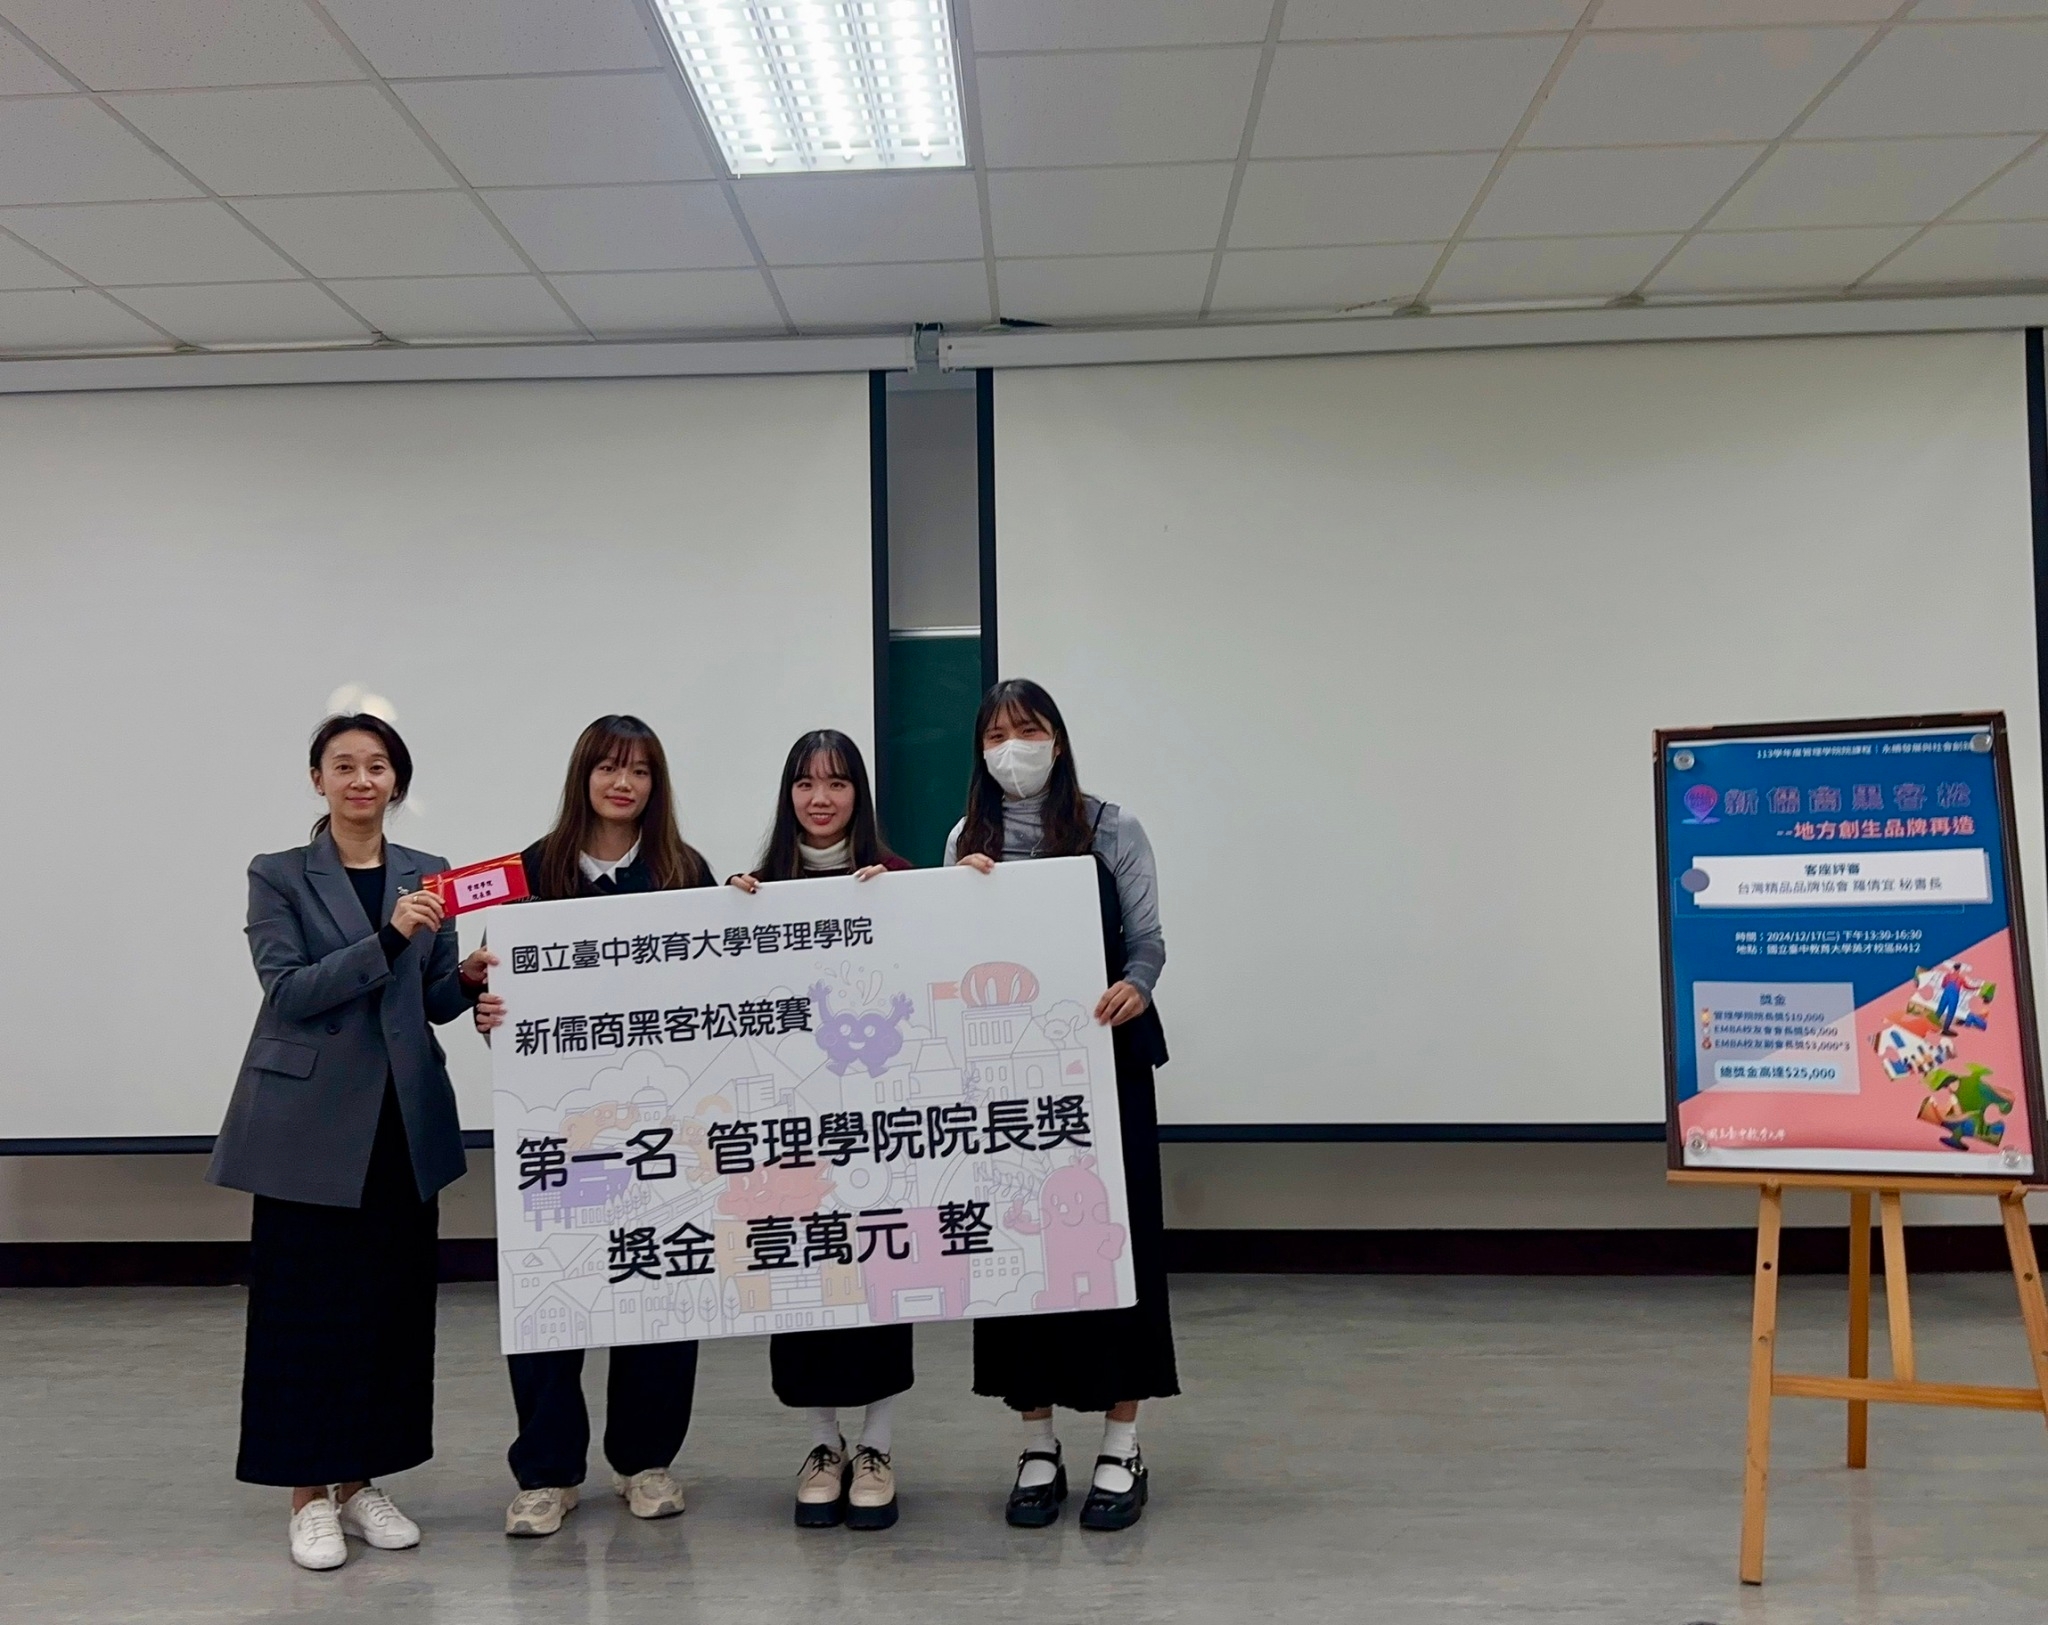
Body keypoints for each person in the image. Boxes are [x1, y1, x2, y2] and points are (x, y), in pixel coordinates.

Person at [210, 712, 492, 1571]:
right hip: (307, 1124)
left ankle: (362, 1481)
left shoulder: (429, 870)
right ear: (318, 779)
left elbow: (428, 1000)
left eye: (377, 766)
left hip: (400, 1120)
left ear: (396, 781)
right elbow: (289, 990)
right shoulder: (278, 873)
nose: (362, 780)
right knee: (306, 1311)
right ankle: (307, 1493)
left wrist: (464, 979)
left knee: (388, 1307)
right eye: (344, 765)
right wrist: (390, 935)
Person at [945, 679, 1177, 1533]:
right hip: (1009, 1083)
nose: (1014, 747)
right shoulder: (963, 838)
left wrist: (1135, 986)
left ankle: (1122, 1442)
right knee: (1020, 1251)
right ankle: (1035, 1442)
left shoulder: (1113, 827)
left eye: (1029, 728)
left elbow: (1148, 940)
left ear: (1058, 738)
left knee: (1115, 1245)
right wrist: (954, 897)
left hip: (1103, 1063)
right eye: (996, 734)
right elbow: (945, 955)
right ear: (979, 751)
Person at [473, 715, 714, 1538]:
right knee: (551, 1290)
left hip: (658, 1123)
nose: (623, 783)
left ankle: (645, 1459)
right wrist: (486, 1008)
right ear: (583, 775)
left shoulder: (684, 871)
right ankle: (547, 1471)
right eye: (609, 767)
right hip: (554, 1124)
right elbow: (490, 984)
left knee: (659, 1281)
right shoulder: (527, 871)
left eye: (640, 771)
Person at [729, 730, 912, 1530]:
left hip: (877, 1128)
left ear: (858, 794)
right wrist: (728, 915)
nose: (820, 798)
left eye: (837, 783)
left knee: (878, 1277)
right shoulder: (758, 888)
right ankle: (821, 1442)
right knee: (803, 1282)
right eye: (805, 783)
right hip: (790, 1134)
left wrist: (910, 904)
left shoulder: (898, 877)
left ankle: (877, 1445)